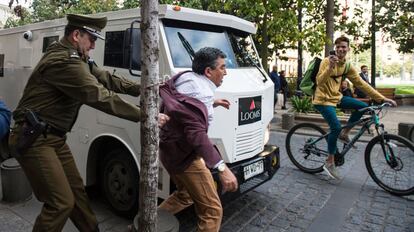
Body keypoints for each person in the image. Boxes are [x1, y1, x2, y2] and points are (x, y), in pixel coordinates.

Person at [8, 14, 169, 232]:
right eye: (91, 39)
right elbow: (99, 96)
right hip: (35, 138)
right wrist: (146, 115)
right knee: (60, 203)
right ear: (76, 35)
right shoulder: (64, 62)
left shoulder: (77, 56)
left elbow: (108, 79)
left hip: (53, 138)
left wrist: (148, 86)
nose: (94, 45)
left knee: (77, 195)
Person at [158, 47, 238, 231]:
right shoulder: (201, 93)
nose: (225, 72)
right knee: (212, 211)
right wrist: (222, 168)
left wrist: (213, 103)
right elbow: (197, 134)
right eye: (222, 68)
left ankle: (146, 224)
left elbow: (186, 106)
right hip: (184, 157)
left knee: (185, 195)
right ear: (208, 71)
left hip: (169, 151)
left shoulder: (186, 77)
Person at [313, 36, 396, 180]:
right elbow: (319, 82)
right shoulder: (327, 61)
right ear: (335, 48)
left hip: (336, 97)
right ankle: (329, 161)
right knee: (335, 127)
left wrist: (381, 98)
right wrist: (330, 68)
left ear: (348, 49)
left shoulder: (347, 66)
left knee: (363, 107)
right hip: (323, 99)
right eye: (338, 46)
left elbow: (361, 84)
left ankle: (345, 133)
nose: (341, 49)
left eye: (344, 47)